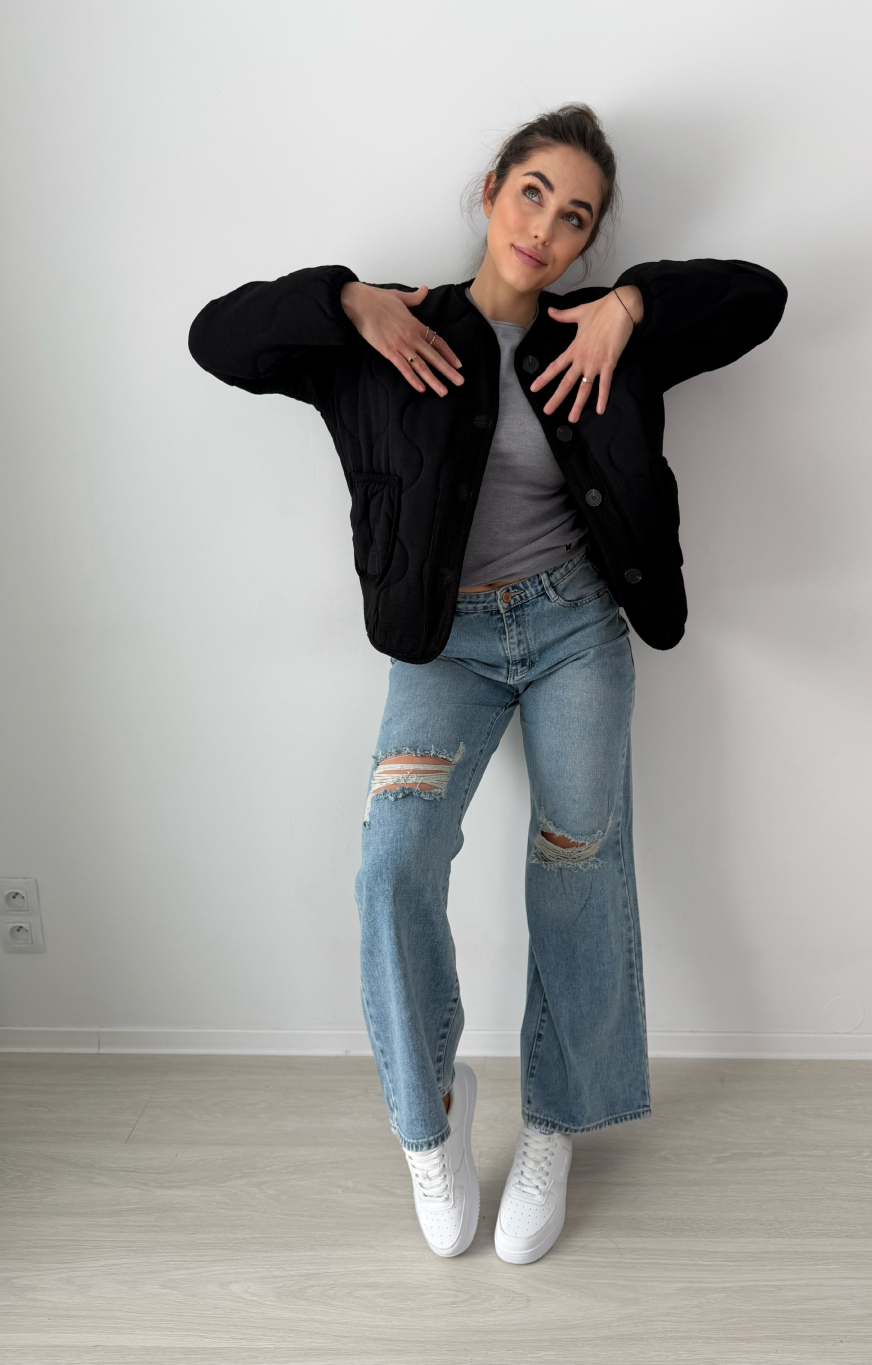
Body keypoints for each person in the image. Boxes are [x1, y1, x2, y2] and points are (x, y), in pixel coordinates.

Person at [188, 103, 787, 1264]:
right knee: (393, 863)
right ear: (489, 191)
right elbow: (217, 340)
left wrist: (628, 306)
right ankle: (432, 1115)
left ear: (587, 240)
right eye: (532, 195)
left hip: (574, 632)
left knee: (577, 865)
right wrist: (343, 299)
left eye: (576, 218)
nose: (546, 230)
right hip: (443, 647)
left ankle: (555, 1121)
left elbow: (756, 298)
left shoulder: (597, 331)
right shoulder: (390, 330)